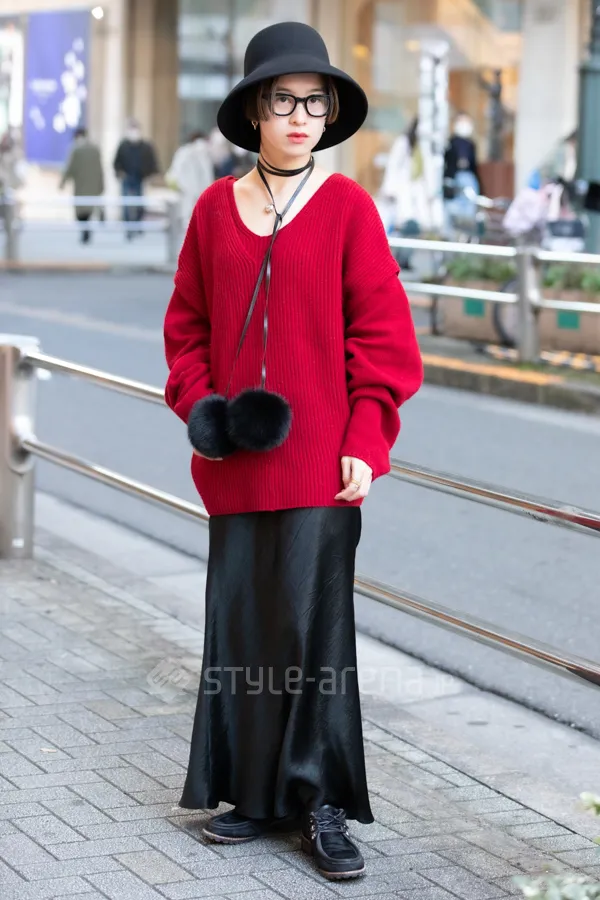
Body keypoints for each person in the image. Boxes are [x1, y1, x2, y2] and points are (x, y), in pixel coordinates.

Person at [163, 21, 423, 882]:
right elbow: (186, 329)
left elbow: (384, 342)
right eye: (284, 101)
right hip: (237, 461)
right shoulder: (213, 210)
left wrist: (366, 437)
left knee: (314, 634)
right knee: (244, 628)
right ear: (254, 111)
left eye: (315, 101)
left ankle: (319, 804)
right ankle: (253, 793)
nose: (302, 116)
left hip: (322, 463)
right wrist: (202, 408)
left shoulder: (348, 208)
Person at [379, 116, 437, 266]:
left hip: (417, 192)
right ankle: (394, 259)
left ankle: (405, 259)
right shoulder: (403, 142)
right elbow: (393, 166)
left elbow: (427, 171)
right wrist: (390, 189)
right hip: (401, 191)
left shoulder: (423, 146)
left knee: (415, 228)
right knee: (401, 227)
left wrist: (430, 192)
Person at [113, 118, 159, 240]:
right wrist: (119, 172)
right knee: (126, 203)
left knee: (139, 203)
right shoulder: (123, 145)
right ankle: (128, 227)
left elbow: (151, 161)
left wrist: (151, 174)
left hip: (140, 177)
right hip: (127, 177)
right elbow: (117, 162)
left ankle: (138, 224)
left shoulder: (145, 146)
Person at [60, 127, 104, 244]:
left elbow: (69, 167)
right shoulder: (95, 149)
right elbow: (100, 169)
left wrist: (63, 182)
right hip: (92, 185)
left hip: (80, 185)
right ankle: (87, 228)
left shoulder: (76, 149)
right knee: (89, 208)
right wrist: (101, 185)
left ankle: (85, 230)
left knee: (80, 210)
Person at [443, 112, 481, 235]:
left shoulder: (471, 145)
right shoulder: (451, 143)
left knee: (468, 214)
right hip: (454, 182)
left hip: (468, 181)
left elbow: (474, 167)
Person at [165, 131, 215, 224]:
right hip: (188, 191)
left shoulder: (197, 153)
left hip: (193, 192)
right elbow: (176, 171)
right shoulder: (187, 152)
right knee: (188, 216)